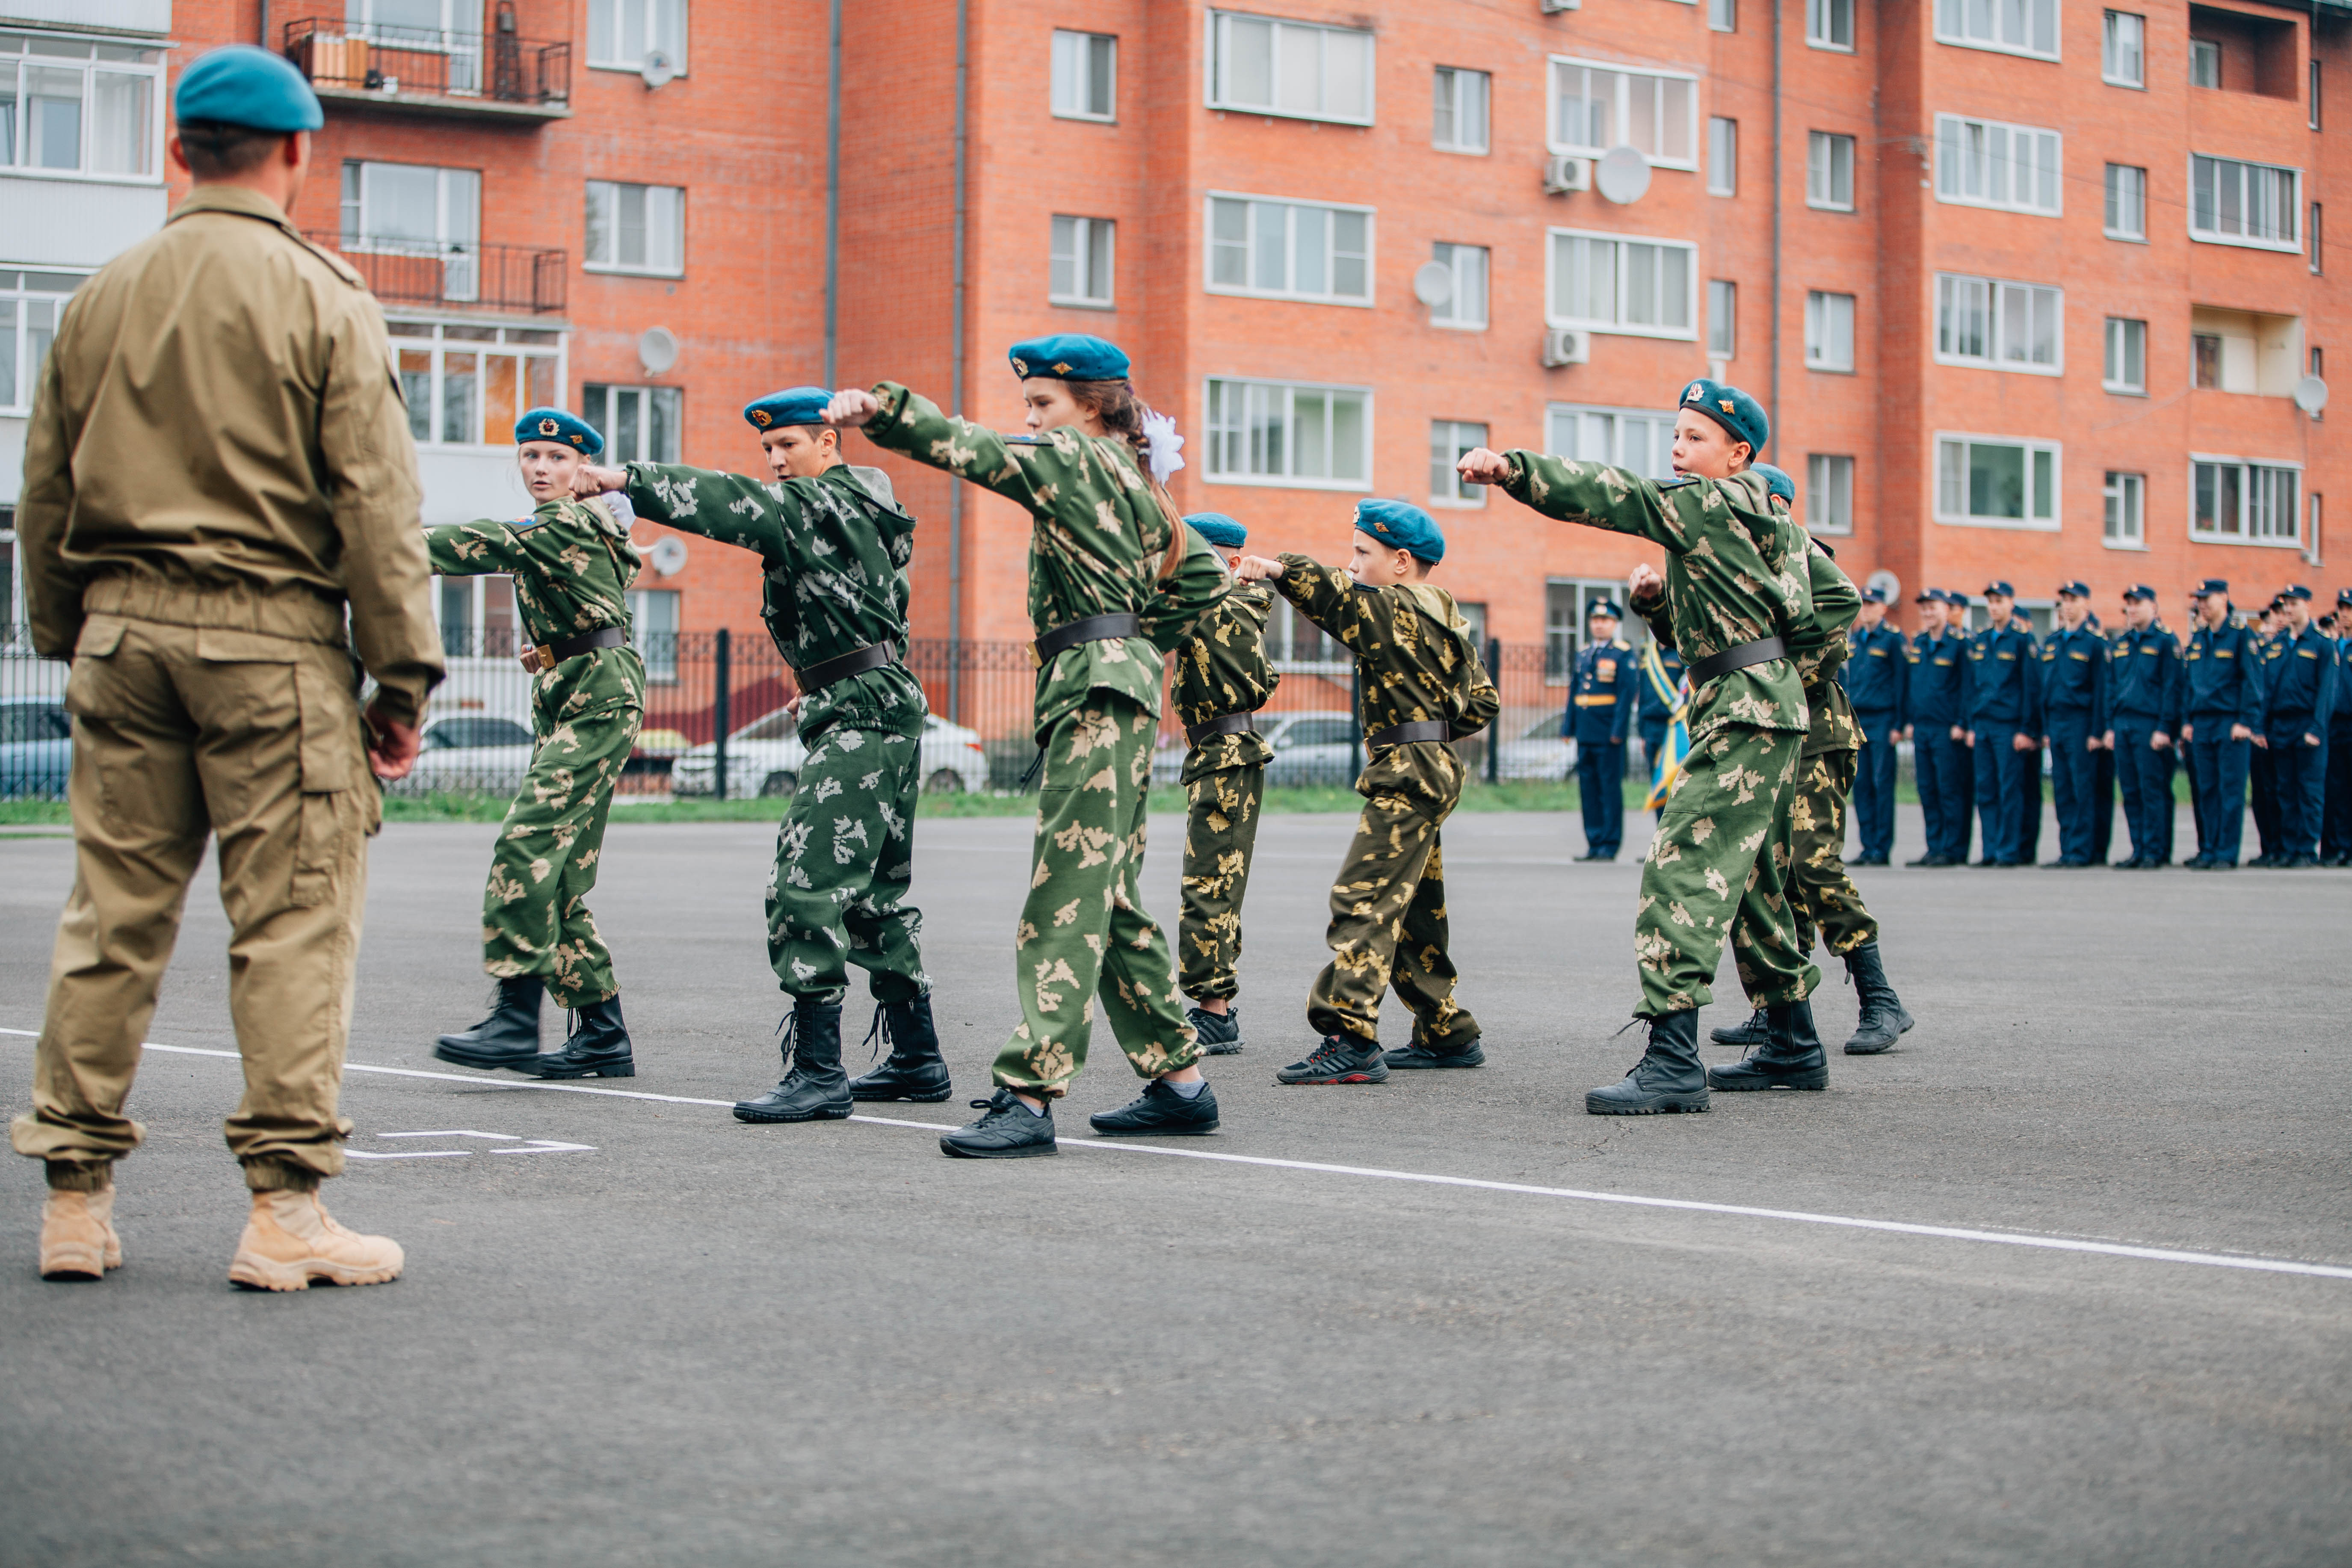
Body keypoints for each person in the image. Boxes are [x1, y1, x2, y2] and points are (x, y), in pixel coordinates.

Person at [11, 45, 442, 1290]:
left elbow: (45, 489)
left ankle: (76, 1201)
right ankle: (284, 1211)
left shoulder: (102, 295)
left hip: (122, 640)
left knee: (112, 915)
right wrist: (400, 681)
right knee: (295, 922)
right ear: (300, 153)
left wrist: (67, 634)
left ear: (177, 152)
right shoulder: (325, 298)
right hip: (271, 646)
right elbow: (377, 508)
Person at [824, 333, 1230, 1157]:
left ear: (1095, 405)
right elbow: (1202, 580)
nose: (1033, 422)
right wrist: (1140, 643)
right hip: (1117, 687)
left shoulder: (1077, 459)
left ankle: (1030, 1093)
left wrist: (885, 412)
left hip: (1092, 689)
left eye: (1043, 404)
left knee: (1063, 897)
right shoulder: (1147, 488)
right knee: (1108, 896)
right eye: (1031, 409)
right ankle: (1179, 1082)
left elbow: (973, 452)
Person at [573, 387, 944, 1120]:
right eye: (768, 451)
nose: (776, 461)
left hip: (860, 714)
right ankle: (915, 1057)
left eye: (789, 446)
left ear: (829, 445)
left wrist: (626, 481)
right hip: (871, 703)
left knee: (804, 886)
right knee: (871, 896)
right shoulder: (858, 511)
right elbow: (868, 616)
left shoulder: (816, 505)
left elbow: (729, 504)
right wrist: (820, 685)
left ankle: (818, 1072)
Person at [1461, 378, 1829, 1115]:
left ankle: (1671, 1062)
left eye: (1694, 438)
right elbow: (1834, 603)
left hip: (1741, 708)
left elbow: (1613, 494)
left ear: (1737, 453)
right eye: (1675, 435)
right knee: (1750, 878)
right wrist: (1785, 667)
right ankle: (1791, 1040)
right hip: (1763, 705)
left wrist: (1514, 471)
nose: (1677, 449)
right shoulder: (1775, 520)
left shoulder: (1703, 503)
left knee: (1681, 869)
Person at [1232, 500, 1498, 1084]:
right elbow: (1483, 701)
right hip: (1431, 765)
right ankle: (1444, 1030)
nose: (1350, 564)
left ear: (1401, 562)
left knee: (1364, 898)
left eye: (1362, 553)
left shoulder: (1392, 607)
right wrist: (1431, 726)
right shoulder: (1445, 612)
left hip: (1406, 772)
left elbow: (1335, 598)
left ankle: (1349, 1034)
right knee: (1415, 907)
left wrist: (1277, 570)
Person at [427, 411, 645, 1080]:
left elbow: (477, 542)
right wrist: (547, 648)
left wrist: (370, 543)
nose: (541, 468)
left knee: (526, 843)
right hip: (573, 689)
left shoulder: (563, 523)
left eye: (556, 457)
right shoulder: (581, 527)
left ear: (584, 470)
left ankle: (516, 1017)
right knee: (558, 871)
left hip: (595, 696)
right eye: (530, 456)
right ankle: (602, 1033)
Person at [1689, 465, 1909, 1057]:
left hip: (1815, 730)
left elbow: (1828, 648)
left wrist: (1762, 683)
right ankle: (1781, 1011)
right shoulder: (1746, 564)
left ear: (1778, 504)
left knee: (1811, 862)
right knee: (1773, 874)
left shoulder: (1805, 557)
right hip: (1770, 733)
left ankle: (1879, 997)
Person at [1169, 512, 1278, 1057]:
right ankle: (1216, 1005)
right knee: (1213, 882)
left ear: (1230, 561)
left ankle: (1214, 1012)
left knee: (1210, 884)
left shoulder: (1221, 606)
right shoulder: (1227, 605)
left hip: (1226, 755)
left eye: (1193, 552)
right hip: (1216, 752)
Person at [2179, 579, 2265, 870]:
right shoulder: (2199, 638)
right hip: (2202, 723)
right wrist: (2187, 720)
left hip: (2230, 722)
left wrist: (2246, 722)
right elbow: (2189, 684)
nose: (2202, 604)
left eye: (2207, 599)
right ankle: (2209, 848)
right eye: (2199, 600)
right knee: (2207, 789)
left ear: (2224, 598)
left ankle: (2226, 852)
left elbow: (2252, 682)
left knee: (2230, 790)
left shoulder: (2241, 636)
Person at [1964, 582, 2042, 867]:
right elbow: (1974, 686)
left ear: (2011, 603)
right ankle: (1990, 849)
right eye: (1990, 602)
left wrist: (2026, 729)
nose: (1994, 607)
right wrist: (1972, 724)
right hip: (1984, 724)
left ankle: (2008, 850)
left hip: (2008, 726)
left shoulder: (2022, 639)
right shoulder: (1982, 639)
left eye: (1999, 601)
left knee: (2009, 789)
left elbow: (2029, 687)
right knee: (1986, 789)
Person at [2103, 586, 2180, 869]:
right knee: (2131, 791)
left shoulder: (2164, 641)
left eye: (2138, 604)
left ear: (2153, 607)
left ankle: (2155, 850)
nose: (2132, 610)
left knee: (2153, 790)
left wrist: (2165, 728)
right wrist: (2110, 726)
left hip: (2150, 725)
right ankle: (2139, 848)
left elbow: (2172, 688)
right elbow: (2112, 687)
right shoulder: (2122, 643)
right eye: (2129, 605)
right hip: (2123, 724)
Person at [2260, 586, 2337, 867]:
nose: (2288, 610)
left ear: (2307, 605)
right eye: (2285, 605)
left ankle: (2305, 849)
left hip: (2307, 724)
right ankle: (2289, 847)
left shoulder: (2321, 643)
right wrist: (2261, 727)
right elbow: (2267, 690)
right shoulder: (2278, 645)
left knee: (2309, 790)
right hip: (2280, 726)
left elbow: (2326, 691)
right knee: (2285, 790)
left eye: (2293, 604)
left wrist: (2317, 729)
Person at [2039, 582, 2109, 868]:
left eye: (2073, 600)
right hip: (2056, 722)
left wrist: (2096, 731)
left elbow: (2101, 691)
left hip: (2081, 722)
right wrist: (2045, 728)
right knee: (2063, 789)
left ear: (2086, 605)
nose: (2067, 605)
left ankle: (2083, 850)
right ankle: (2067, 848)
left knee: (2083, 788)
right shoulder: (2053, 641)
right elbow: (2046, 688)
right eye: (2064, 600)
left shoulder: (2094, 643)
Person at [1903, 589, 1974, 866]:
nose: (1927, 613)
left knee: (1949, 789)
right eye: (1924, 609)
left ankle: (1953, 848)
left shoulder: (1959, 643)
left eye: (1932, 608)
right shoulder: (1919, 643)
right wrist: (1909, 720)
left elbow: (1968, 687)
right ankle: (1934, 847)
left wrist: (1962, 722)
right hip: (1922, 727)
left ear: (1946, 610)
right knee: (1927, 789)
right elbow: (1912, 687)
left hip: (1948, 729)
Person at [1841, 586, 1907, 867]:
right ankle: (1868, 846)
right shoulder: (1854, 639)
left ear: (1883, 608)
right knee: (1863, 785)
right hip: (1859, 721)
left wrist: (1899, 723)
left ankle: (1881, 847)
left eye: (1871, 605)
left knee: (1882, 783)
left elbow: (1902, 683)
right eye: (1863, 605)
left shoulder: (1892, 639)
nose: (1866, 610)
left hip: (1883, 720)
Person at [1565, 599, 1634, 860]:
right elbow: (1574, 692)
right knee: (1589, 788)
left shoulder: (1622, 654)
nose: (1599, 625)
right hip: (1585, 732)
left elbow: (1626, 696)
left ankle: (1610, 843)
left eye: (1605, 620)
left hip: (1608, 734)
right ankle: (1594, 842)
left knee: (1609, 788)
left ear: (1615, 624)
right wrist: (1568, 727)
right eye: (1595, 620)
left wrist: (1619, 730)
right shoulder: (1583, 653)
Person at [2248, 599, 2289, 865]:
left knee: (2281, 790)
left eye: (2282, 613)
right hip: (2258, 727)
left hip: (2281, 726)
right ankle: (2268, 847)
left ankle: (2284, 847)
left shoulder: (2287, 648)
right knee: (2261, 793)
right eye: (2274, 614)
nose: (2277, 618)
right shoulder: (2262, 648)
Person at [1633, 625, 1687, 819]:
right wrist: (1642, 734)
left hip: (1677, 727)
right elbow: (1642, 697)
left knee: (1679, 786)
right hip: (1651, 729)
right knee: (1659, 786)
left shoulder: (1684, 653)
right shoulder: (1648, 655)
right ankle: (1661, 842)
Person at [2326, 589, 2352, 867]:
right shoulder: (2334, 646)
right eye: (2341, 609)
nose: (2344, 614)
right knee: (2340, 790)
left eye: (2349, 608)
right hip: (2336, 726)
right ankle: (2343, 847)